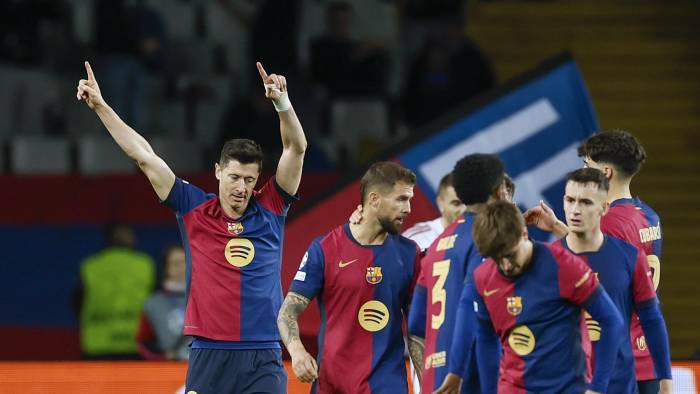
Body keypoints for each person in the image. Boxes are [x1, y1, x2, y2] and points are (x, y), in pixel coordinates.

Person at [77, 60, 307, 393]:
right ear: (217, 171)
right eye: (234, 178)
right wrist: (101, 107)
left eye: (249, 179)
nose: (241, 188)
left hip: (263, 354)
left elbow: (295, 148)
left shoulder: (272, 206)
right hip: (208, 353)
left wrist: (282, 104)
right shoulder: (193, 208)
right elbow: (144, 155)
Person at [525, 129, 664, 394]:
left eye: (587, 165)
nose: (584, 171)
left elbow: (586, 269)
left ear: (606, 173)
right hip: (648, 360)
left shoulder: (609, 222)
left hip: (617, 361)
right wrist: (557, 227)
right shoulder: (649, 215)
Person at [277, 161, 422, 393]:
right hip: (332, 385)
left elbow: (416, 330)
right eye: (401, 199)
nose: (408, 209)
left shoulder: (409, 253)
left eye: (409, 199)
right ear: (374, 199)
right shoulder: (325, 249)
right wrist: (298, 352)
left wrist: (426, 384)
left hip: (387, 385)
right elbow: (287, 313)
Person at [453, 201, 624, 393]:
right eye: (497, 258)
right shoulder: (482, 277)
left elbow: (611, 320)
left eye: (510, 255)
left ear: (524, 234)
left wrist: (598, 387)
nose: (506, 266)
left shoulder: (564, 266)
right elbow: (486, 338)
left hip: (567, 388)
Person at [554, 168, 672, 393]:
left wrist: (666, 381)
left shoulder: (629, 256)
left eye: (586, 202)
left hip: (619, 381)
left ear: (604, 208)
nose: (575, 209)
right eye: (570, 200)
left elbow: (651, 318)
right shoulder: (548, 258)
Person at [408, 154, 509, 394]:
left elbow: (415, 323)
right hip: (471, 375)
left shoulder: (436, 245)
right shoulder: (486, 240)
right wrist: (457, 372)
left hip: (435, 379)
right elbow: (471, 306)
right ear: (498, 192)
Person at [75, 223, 155, 359]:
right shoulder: (145, 264)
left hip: (97, 344)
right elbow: (156, 302)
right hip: (135, 344)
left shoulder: (90, 265)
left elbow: (77, 302)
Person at [136, 244, 189, 361]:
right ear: (166, 269)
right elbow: (143, 343)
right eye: (175, 264)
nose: (181, 268)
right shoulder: (153, 303)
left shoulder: (206, 299)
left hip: (201, 369)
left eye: (185, 262)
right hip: (168, 370)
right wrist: (164, 356)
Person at [402, 172, 466, 252]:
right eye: (456, 203)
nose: (464, 209)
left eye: (470, 202)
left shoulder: (484, 232)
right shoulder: (416, 240)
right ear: (440, 203)